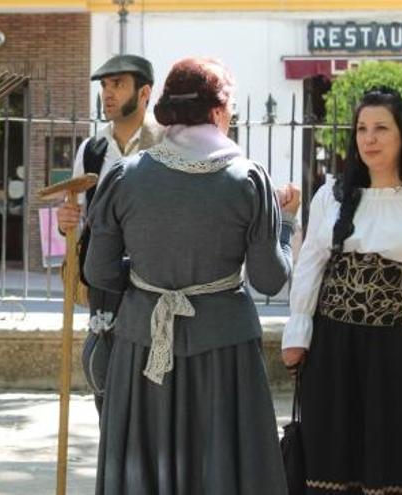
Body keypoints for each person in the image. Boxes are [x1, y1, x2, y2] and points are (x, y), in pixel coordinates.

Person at [84, 57, 299, 494]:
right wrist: (288, 225)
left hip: (142, 348)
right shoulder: (249, 179)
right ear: (218, 111)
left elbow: (98, 272)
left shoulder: (126, 176)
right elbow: (269, 279)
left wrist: (149, 276)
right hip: (224, 352)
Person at [282, 87, 402, 494]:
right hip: (334, 347)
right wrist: (297, 336)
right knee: (336, 459)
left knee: (399, 453)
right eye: (362, 128)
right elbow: (311, 264)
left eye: (381, 128)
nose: (369, 138)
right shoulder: (333, 193)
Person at [56, 54, 164, 414]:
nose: (108, 93)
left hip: (153, 280)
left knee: (151, 392)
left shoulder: (167, 144)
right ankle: (112, 467)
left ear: (145, 91)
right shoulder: (92, 149)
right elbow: (78, 216)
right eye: (104, 86)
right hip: (104, 282)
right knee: (105, 380)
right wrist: (65, 221)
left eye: (118, 84)